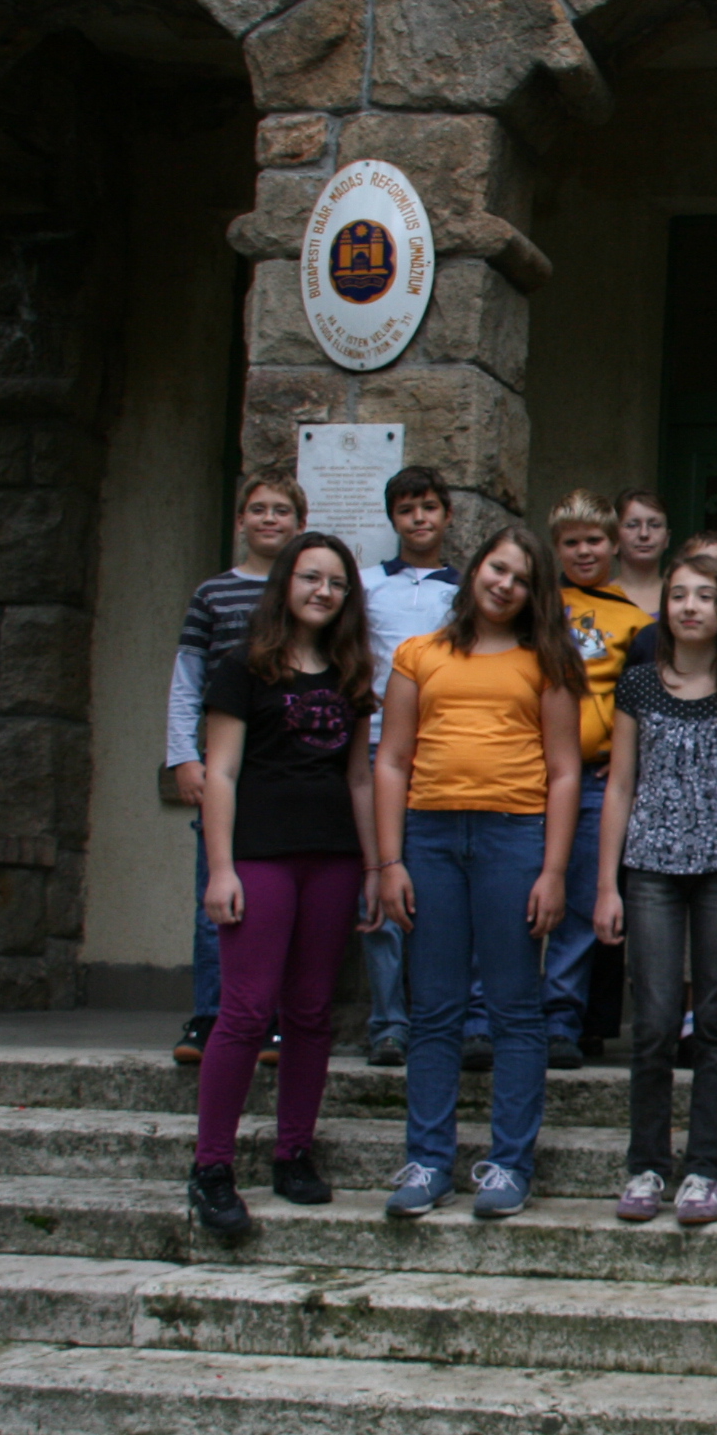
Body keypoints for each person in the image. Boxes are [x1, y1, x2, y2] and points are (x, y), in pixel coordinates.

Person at [374, 528, 585, 1222]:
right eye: (498, 568)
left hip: (512, 837)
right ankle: (428, 1162)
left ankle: (509, 1164)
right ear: (475, 570)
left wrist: (554, 870)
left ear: (535, 593)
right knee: (434, 1008)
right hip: (430, 838)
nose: (505, 585)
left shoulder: (546, 661)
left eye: (521, 579)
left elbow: (564, 771)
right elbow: (392, 761)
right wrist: (389, 861)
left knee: (514, 1008)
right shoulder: (418, 655)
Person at [186, 531, 379, 1237]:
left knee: (310, 1012)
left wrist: (375, 868)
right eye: (311, 578)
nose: (323, 592)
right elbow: (221, 772)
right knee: (244, 1012)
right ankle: (211, 1168)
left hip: (332, 860)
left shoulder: (352, 674)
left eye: (336, 583)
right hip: (260, 857)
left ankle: (294, 1153)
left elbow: (359, 778)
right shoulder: (244, 666)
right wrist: (220, 869)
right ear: (285, 585)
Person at [594, 552, 717, 1229]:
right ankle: (646, 1163)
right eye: (678, 596)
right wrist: (606, 885)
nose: (690, 606)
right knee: (654, 1021)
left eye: (704, 595)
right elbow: (619, 786)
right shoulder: (638, 685)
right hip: (651, 871)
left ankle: (704, 1168)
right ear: (664, 608)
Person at [166, 473, 307, 1066]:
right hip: (223, 769)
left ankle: (270, 1021)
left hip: (287, 772)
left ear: (300, 524)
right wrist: (182, 755)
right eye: (258, 509)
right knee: (217, 896)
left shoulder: (309, 593)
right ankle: (210, 1014)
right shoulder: (213, 594)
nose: (269, 519)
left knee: (280, 905)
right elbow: (187, 679)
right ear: (241, 521)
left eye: (281, 510)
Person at [359, 468, 464, 1069]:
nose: (419, 518)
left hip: (442, 750)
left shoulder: (467, 590)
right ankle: (387, 1023)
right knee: (380, 878)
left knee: (436, 887)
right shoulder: (367, 584)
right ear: (392, 519)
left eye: (428, 507)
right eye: (406, 510)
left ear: (447, 514)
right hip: (378, 748)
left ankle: (436, 1016)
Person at [544, 491, 653, 1070]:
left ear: (614, 545)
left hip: (593, 779)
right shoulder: (536, 606)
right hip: (527, 774)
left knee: (583, 901)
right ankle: (495, 1015)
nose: (583, 551)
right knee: (518, 897)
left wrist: (631, 759)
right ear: (555, 548)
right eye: (571, 542)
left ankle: (562, 1019)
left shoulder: (634, 621)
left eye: (594, 540)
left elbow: (646, 699)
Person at [612, 488, 670, 606]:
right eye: (632, 525)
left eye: (655, 525)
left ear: (667, 538)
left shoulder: (680, 598)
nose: (644, 534)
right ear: (615, 537)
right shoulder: (596, 596)